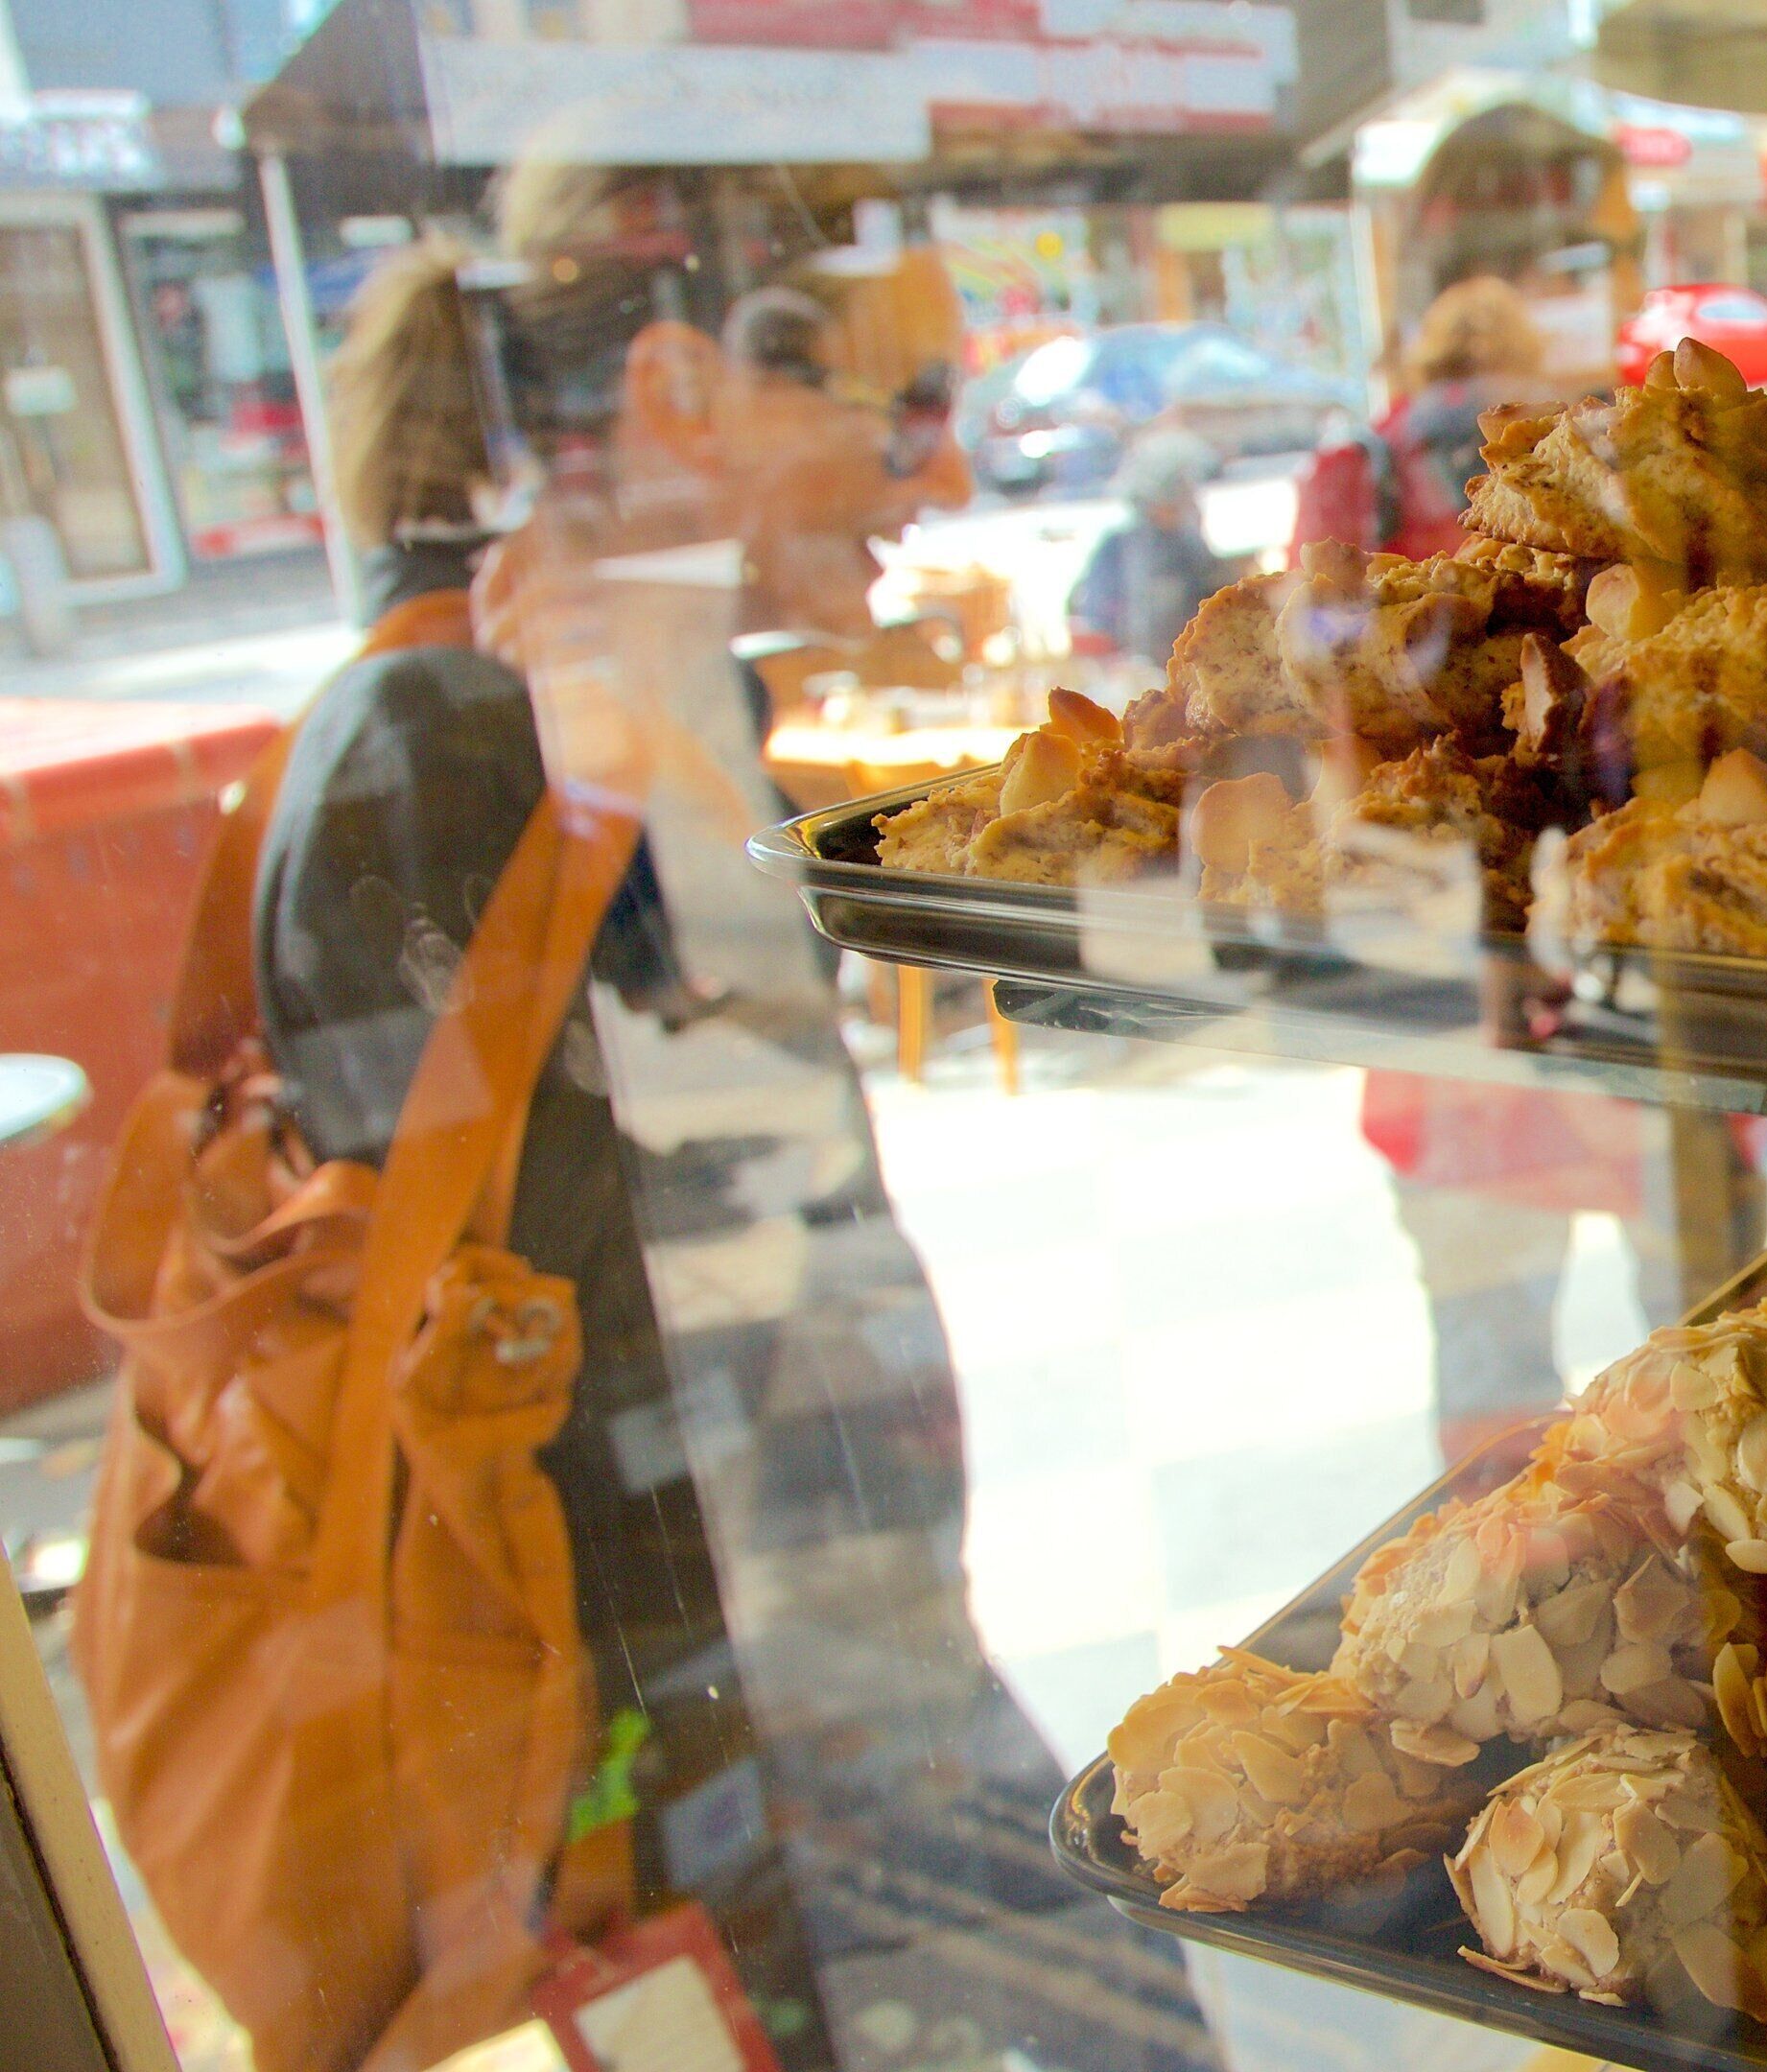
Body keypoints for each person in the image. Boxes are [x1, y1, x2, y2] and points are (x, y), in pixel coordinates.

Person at [247, 163, 1213, 2071]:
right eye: (900, 408)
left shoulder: (631, 716)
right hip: (695, 1743)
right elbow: (573, 1350)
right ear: (689, 390)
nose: (942, 479)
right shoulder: (448, 748)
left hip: (828, 1675)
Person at [1288, 275, 1556, 564]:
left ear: (1425, 360)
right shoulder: (1551, 452)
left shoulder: (1362, 457)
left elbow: (1304, 591)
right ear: (1528, 360)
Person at [1068, 430, 1226, 665]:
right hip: (1139, 672)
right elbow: (1095, 617)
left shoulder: (1189, 546)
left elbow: (1216, 605)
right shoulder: (1119, 548)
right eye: (1183, 494)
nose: (1192, 504)